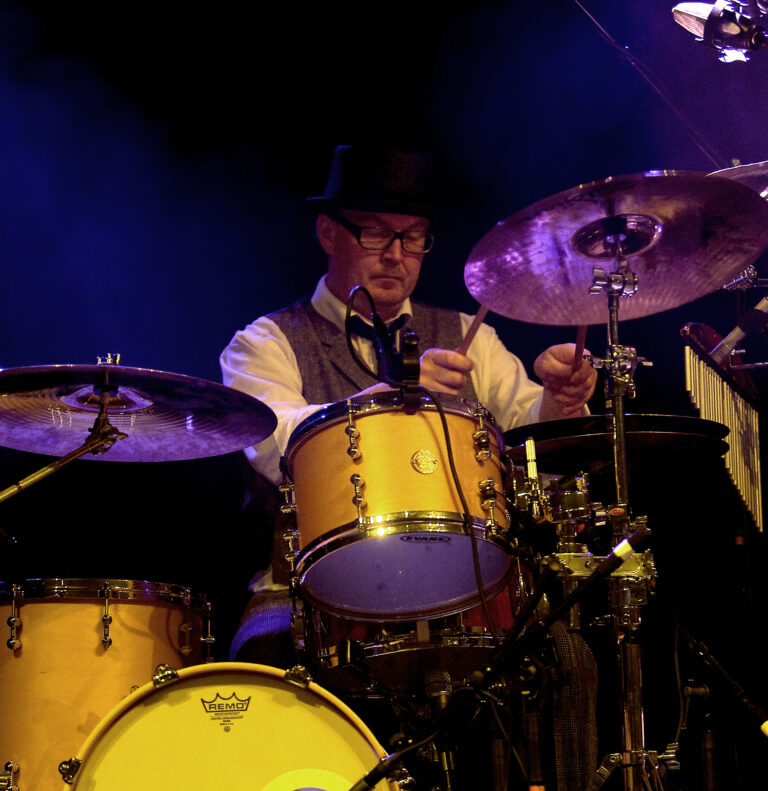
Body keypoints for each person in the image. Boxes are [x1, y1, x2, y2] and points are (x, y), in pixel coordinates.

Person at [220, 145, 596, 666]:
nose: (396, 254)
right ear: (328, 234)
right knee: (264, 654)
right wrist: (388, 403)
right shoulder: (265, 343)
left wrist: (559, 399)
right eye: (375, 232)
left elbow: (530, 433)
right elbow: (270, 436)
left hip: (463, 582)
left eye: (413, 237)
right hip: (304, 591)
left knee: (566, 658)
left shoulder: (470, 333)